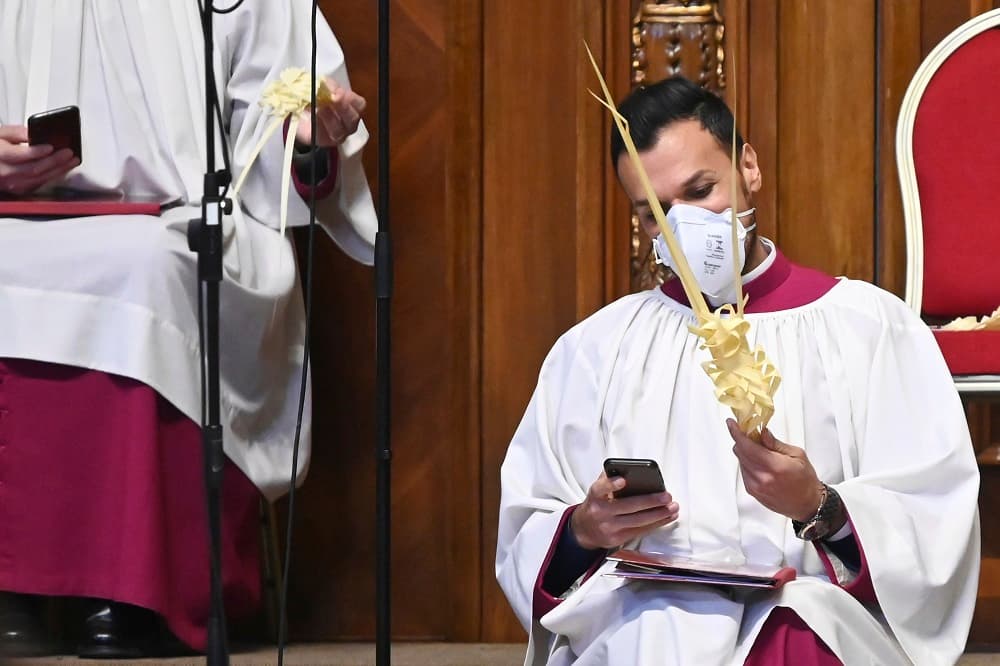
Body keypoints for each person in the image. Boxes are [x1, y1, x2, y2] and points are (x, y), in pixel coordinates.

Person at [496, 76, 980, 665]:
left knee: (796, 632)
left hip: (814, 615)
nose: (681, 228)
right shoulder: (597, 349)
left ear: (747, 166)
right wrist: (586, 529)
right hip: (648, 617)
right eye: (653, 215)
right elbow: (529, 524)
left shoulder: (872, 327)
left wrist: (820, 507)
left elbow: (933, 514)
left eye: (701, 190)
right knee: (657, 638)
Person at [0, 1, 376, 658]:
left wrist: (307, 139)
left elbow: (276, 134)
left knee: (142, 265)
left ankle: (136, 591)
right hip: (16, 219)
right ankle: (12, 590)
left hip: (185, 223)